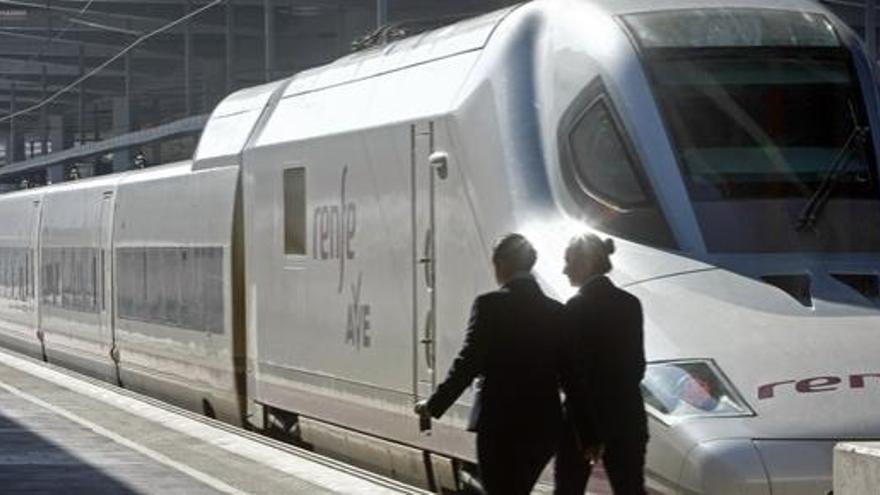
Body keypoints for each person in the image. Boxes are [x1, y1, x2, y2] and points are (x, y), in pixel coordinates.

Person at [415, 233, 564, 495]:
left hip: (500, 425)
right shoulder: (557, 311)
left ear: (502, 263)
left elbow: (469, 362)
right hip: (543, 427)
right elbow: (571, 373)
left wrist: (434, 405)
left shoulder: (490, 305)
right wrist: (589, 432)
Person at [556, 233, 648, 495]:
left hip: (583, 422)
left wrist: (588, 434)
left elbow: (573, 377)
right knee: (630, 490)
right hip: (627, 418)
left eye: (568, 262)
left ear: (584, 264)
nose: (564, 270)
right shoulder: (630, 304)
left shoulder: (575, 307)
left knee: (568, 490)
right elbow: (636, 367)